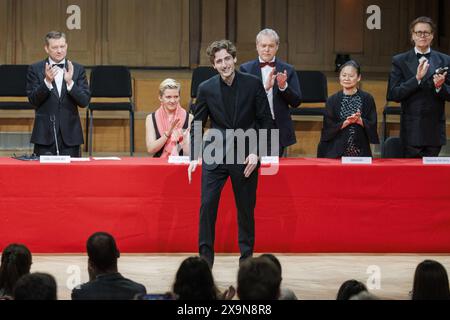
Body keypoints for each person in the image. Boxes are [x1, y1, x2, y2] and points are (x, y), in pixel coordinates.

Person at [188, 40, 274, 268]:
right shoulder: (206, 88)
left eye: (227, 59)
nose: (224, 64)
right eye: (219, 61)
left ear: (234, 59)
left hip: (245, 155)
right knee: (207, 206)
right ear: (213, 65)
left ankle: (246, 262)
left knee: (245, 210)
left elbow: (266, 120)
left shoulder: (253, 84)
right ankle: (205, 263)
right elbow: (197, 124)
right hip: (215, 154)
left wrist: (257, 153)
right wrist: (194, 156)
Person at [388, 17, 450, 158]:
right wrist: (416, 79)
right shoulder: (399, 60)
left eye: (426, 33)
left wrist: (440, 86)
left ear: (432, 36)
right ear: (413, 35)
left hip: (434, 129)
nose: (422, 35)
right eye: (419, 32)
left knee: (431, 177)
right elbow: (393, 94)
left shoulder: (445, 60)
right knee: (411, 176)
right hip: (411, 129)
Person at [26, 31, 90, 157]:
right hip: (44, 136)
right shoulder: (35, 69)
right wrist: (47, 82)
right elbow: (33, 100)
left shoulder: (77, 69)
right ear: (46, 49)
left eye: (62, 46)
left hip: (71, 136)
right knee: (44, 176)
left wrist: (70, 82)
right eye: (55, 47)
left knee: (72, 176)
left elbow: (84, 101)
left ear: (66, 46)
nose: (59, 51)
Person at [240, 28, 302, 157]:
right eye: (263, 46)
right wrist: (265, 88)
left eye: (271, 46)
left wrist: (284, 87)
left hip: (276, 126)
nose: (267, 49)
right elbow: (242, 100)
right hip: (253, 126)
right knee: (251, 168)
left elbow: (296, 101)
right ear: (257, 46)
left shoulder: (288, 70)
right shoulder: (245, 69)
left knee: (272, 169)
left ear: (277, 47)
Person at [318, 60, 379, 158]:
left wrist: (360, 121)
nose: (347, 78)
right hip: (336, 151)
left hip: (360, 152)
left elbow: (372, 125)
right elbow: (327, 130)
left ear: (358, 77)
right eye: (344, 75)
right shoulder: (332, 100)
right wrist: (346, 123)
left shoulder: (367, 99)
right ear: (339, 77)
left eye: (351, 76)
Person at [71, 232, 146, 300]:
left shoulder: (80, 292)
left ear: (91, 264)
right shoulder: (138, 290)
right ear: (118, 254)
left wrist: (91, 281)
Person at [145, 79, 193, 157]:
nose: (172, 100)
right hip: (159, 164)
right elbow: (150, 149)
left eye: (176, 97)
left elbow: (196, 152)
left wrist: (183, 141)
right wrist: (167, 134)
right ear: (160, 98)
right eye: (168, 97)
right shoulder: (150, 118)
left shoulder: (190, 118)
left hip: (183, 165)